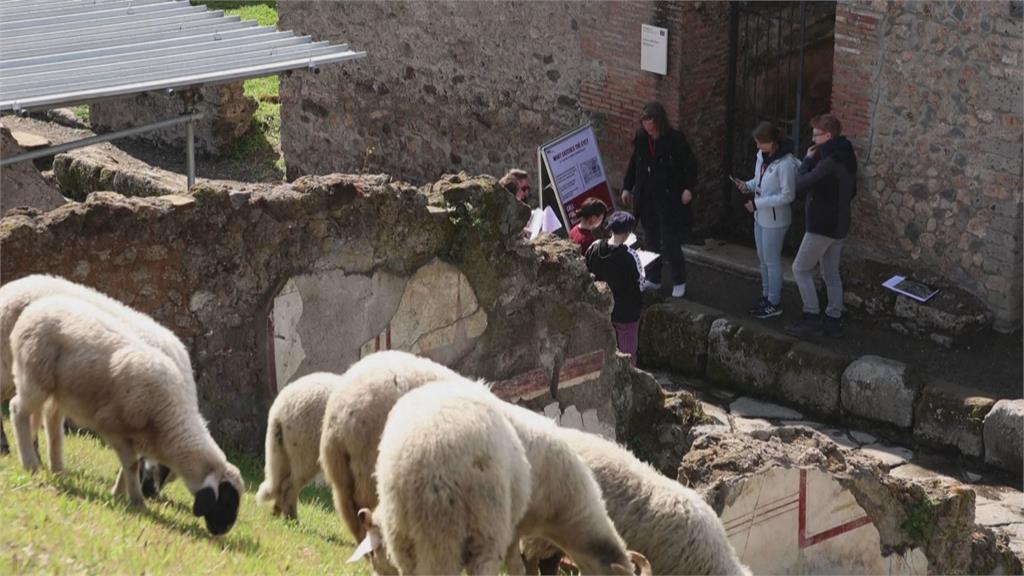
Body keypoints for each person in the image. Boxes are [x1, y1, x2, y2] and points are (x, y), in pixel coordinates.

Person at [784, 114, 858, 338]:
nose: (813, 139)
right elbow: (851, 191)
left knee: (800, 269)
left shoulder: (829, 161)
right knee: (830, 272)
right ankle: (834, 319)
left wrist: (806, 161)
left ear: (828, 135)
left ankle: (812, 316)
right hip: (840, 223)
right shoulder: (847, 156)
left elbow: (800, 184)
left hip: (822, 224)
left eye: (816, 135)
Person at [621, 101, 698, 298]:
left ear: (659, 121)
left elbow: (690, 165)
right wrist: (627, 187)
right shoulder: (641, 140)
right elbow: (634, 164)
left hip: (668, 199)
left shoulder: (674, 140)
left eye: (651, 121)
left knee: (670, 241)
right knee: (651, 240)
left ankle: (678, 280)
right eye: (645, 121)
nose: (648, 125)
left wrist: (688, 188)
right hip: (647, 199)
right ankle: (654, 278)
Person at [735, 122, 798, 319]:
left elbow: (788, 196)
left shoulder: (786, 164)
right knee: (763, 260)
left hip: (776, 220)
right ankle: (766, 296)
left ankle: (774, 301)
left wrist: (758, 204)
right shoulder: (761, 157)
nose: (757, 147)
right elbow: (759, 181)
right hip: (760, 217)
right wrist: (747, 185)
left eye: (761, 144)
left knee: (771, 261)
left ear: (773, 143)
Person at [585, 211, 644, 365]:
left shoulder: (594, 247)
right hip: (626, 312)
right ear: (627, 233)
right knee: (628, 353)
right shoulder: (630, 255)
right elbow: (641, 283)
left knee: (603, 350)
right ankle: (629, 379)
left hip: (601, 308)